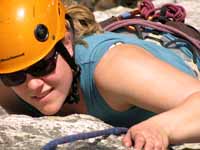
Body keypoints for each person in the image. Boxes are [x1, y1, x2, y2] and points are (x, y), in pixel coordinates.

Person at [0, 0, 200, 149]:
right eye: (14, 76)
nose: (33, 85)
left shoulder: (115, 69)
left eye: (42, 66)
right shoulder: (8, 87)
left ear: (67, 41)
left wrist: (161, 128)